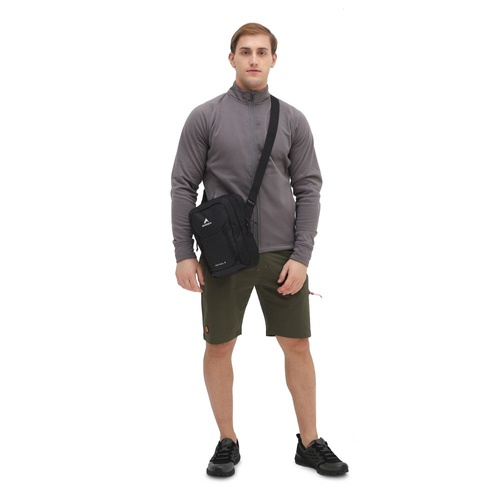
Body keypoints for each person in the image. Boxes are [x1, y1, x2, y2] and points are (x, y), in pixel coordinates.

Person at [170, 22, 348, 478]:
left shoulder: (292, 120)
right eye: (245, 51)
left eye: (262, 52)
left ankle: (309, 442)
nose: (253, 59)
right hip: (223, 256)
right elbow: (183, 186)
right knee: (218, 346)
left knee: (298, 346)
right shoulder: (204, 117)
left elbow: (309, 188)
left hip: (281, 256)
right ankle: (226, 439)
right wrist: (184, 253)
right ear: (231, 58)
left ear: (273, 60)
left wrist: (301, 256)